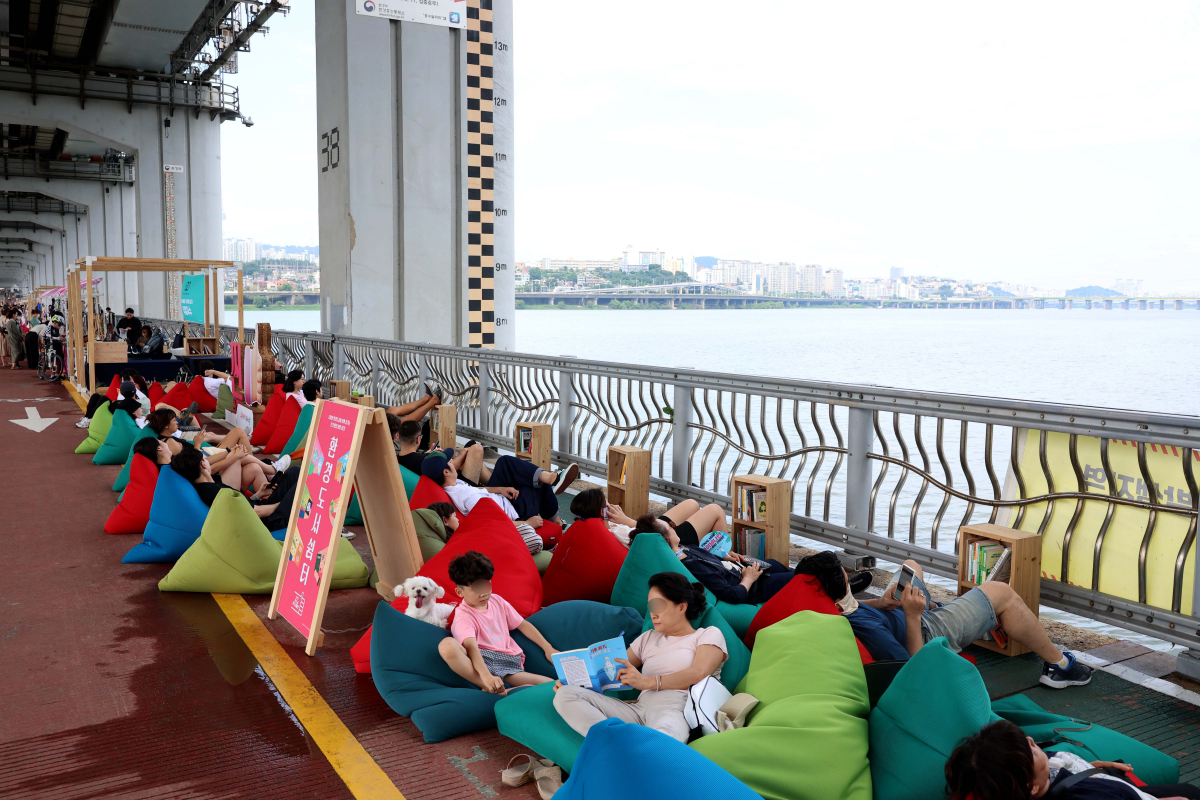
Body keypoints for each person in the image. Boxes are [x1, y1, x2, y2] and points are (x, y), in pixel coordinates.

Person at [794, 551, 1094, 688]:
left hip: (900, 613)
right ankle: (1060, 667)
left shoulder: (826, 608)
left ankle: (932, 604)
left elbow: (852, 611)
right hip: (925, 631)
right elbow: (915, 667)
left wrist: (881, 603)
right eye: (847, 577)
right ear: (842, 586)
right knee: (1001, 593)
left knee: (911, 566)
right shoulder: (868, 628)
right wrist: (912, 615)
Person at [553, 571, 728, 743]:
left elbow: (699, 673)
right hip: (637, 710)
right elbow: (613, 671)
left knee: (663, 740)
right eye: (650, 607)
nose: (653, 613)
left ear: (681, 607)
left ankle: (625, 747)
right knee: (565, 694)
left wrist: (647, 682)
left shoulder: (707, 635)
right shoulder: (648, 638)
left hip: (676, 710)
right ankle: (618, 744)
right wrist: (576, 681)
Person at [945, 718, 1199, 800]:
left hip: (1101, 779)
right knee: (1189, 793)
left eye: (1026, 738)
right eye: (1030, 749)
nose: (1032, 741)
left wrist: (1093, 768)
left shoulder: (1031, 775)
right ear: (1031, 787)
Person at [437, 550, 558, 694]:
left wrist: (548, 648)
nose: (484, 593)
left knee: (552, 685)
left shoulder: (497, 601)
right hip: (481, 661)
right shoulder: (464, 615)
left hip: (508, 662)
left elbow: (523, 624)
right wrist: (486, 677)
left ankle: (501, 691)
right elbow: (472, 648)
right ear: (460, 592)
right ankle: (491, 688)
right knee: (447, 646)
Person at [636, 512, 796, 605]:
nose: (674, 527)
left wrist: (722, 557)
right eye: (670, 527)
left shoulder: (682, 548)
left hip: (740, 571)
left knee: (775, 565)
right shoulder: (691, 566)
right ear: (665, 538)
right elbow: (732, 595)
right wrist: (749, 578)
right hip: (751, 587)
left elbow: (705, 559)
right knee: (798, 578)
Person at [423, 449, 577, 530]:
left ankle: (551, 478)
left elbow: (478, 489)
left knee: (506, 463)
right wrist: (526, 523)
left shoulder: (454, 485)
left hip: (503, 499)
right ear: (446, 472)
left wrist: (500, 489)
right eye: (450, 462)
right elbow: (490, 522)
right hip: (515, 513)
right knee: (534, 482)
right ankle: (557, 521)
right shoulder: (467, 498)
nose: (452, 462)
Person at [569, 487, 638, 546]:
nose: (611, 505)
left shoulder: (585, 528)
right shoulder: (620, 533)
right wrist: (628, 521)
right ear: (602, 512)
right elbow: (644, 536)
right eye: (608, 503)